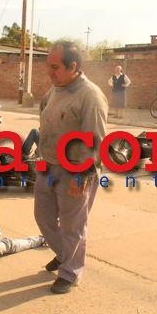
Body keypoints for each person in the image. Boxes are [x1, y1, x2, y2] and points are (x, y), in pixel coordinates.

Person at [34, 41, 108, 294]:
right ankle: (66, 254)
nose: (49, 72)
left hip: (76, 170)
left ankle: (71, 272)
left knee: (72, 226)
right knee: (43, 218)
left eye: (55, 67)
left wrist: (82, 175)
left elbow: (95, 139)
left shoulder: (91, 96)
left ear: (73, 66)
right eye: (48, 66)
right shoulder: (55, 90)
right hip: (48, 167)